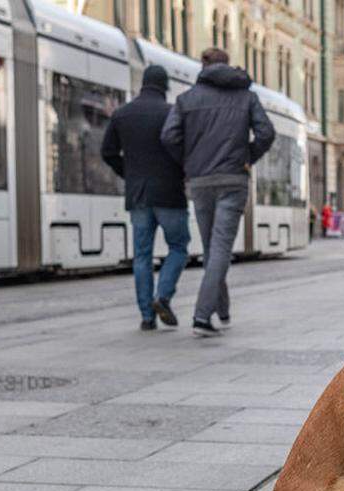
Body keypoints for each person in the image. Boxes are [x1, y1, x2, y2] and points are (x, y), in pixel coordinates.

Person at [161, 47, 275, 337]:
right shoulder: (247, 97)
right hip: (232, 179)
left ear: (203, 65)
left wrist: (189, 162)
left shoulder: (186, 99)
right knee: (219, 249)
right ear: (229, 65)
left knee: (214, 248)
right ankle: (203, 316)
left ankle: (219, 310)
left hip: (199, 182)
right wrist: (247, 156)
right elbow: (266, 133)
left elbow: (169, 137)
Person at [101, 65, 189, 331]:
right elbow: (182, 149)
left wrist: (128, 173)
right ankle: (162, 296)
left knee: (142, 255)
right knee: (178, 246)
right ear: (164, 86)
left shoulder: (122, 114)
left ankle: (146, 317)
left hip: (138, 194)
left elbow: (108, 152)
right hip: (170, 193)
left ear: (143, 84)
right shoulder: (172, 112)